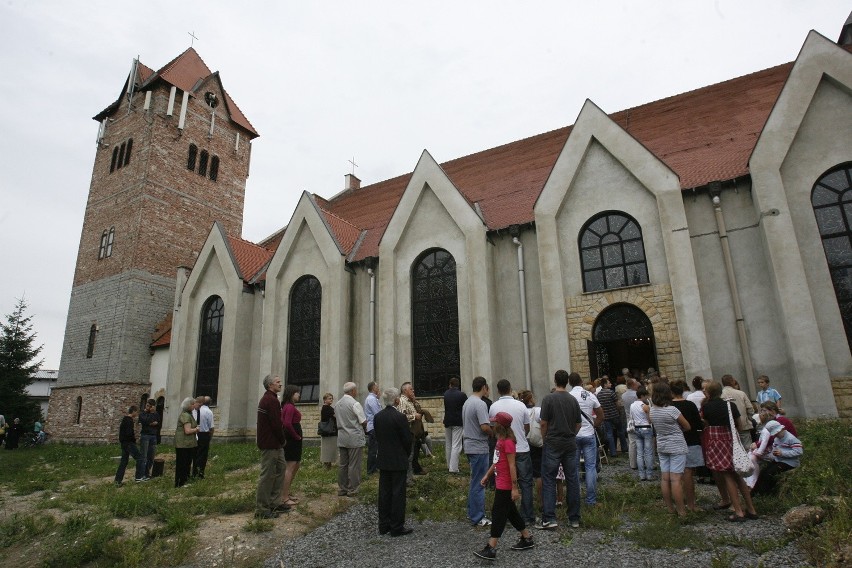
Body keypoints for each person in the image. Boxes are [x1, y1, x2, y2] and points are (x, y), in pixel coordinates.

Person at [474, 412, 535, 560]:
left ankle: (491, 547)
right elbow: (496, 461)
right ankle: (527, 538)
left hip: (506, 484)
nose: (492, 425)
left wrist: (514, 488)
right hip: (500, 480)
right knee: (511, 512)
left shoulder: (508, 442)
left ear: (500, 426)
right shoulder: (500, 440)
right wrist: (487, 475)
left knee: (498, 513)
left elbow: (512, 465)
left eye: (495, 423)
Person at [700, 381, 758, 522]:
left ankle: (738, 511)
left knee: (727, 475)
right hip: (731, 439)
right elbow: (739, 423)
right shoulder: (730, 405)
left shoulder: (706, 407)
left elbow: (705, 424)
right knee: (738, 476)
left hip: (716, 442)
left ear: (707, 393)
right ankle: (751, 509)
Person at [537, 369, 582, 530]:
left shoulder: (548, 399)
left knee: (549, 479)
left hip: (553, 442)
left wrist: (545, 438)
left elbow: (543, 423)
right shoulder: (572, 400)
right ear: (567, 382)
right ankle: (574, 517)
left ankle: (550, 517)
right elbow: (579, 423)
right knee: (572, 479)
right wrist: (572, 434)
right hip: (569, 442)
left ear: (555, 381)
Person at [489, 379, 534, 527]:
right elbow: (527, 427)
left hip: (503, 450)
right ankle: (527, 515)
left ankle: (508, 513)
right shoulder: (520, 405)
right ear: (510, 389)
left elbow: (493, 427)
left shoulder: (494, 406)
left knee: (505, 483)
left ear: (498, 390)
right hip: (521, 447)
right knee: (526, 482)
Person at [374, 387, 414, 537]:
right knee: (398, 493)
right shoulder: (400, 417)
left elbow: (377, 437)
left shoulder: (378, 417)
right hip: (398, 459)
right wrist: (405, 453)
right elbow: (407, 440)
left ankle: (383, 525)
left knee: (384, 493)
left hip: (384, 459)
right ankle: (396, 526)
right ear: (397, 400)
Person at [649, 382, 691, 517]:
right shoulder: (672, 410)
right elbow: (687, 426)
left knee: (665, 478)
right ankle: (681, 510)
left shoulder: (652, 410)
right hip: (676, 444)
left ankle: (670, 508)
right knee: (676, 479)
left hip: (662, 444)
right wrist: (678, 430)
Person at [255, 375, 288, 519]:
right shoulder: (270, 400)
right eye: (277, 382)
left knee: (281, 469)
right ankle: (262, 509)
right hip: (270, 443)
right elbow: (276, 424)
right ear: (270, 385)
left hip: (275, 444)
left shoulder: (272, 399)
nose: (280, 384)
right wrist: (283, 439)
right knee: (267, 475)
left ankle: (274, 502)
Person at [462, 376, 493, 527]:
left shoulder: (467, 402)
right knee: (480, 482)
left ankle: (472, 511)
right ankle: (478, 516)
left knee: (474, 480)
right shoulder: (480, 404)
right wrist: (495, 432)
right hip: (479, 446)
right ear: (484, 387)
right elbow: (484, 427)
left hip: (469, 444)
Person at [568, 372, 602, 505]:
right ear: (581, 381)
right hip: (588, 433)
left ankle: (575, 499)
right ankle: (591, 499)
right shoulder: (589, 395)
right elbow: (600, 414)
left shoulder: (569, 397)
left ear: (570, 383)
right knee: (590, 467)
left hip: (574, 434)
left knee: (574, 468)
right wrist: (594, 425)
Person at [670, 379, 704, 512]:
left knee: (676, 473)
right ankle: (691, 504)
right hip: (690, 440)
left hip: (674, 442)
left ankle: (678, 504)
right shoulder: (690, 405)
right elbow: (697, 423)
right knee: (688, 472)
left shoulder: (668, 407)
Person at [752, 420, 802, 495]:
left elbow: (799, 452)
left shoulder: (791, 438)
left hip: (790, 462)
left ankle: (764, 493)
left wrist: (783, 453)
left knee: (770, 473)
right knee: (763, 472)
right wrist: (772, 452)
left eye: (777, 433)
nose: (776, 435)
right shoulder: (776, 439)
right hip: (779, 460)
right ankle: (753, 493)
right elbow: (774, 448)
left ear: (781, 429)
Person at [335, 381, 367, 497]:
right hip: (354, 437)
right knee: (354, 464)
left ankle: (342, 488)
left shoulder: (337, 404)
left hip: (342, 437)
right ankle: (353, 489)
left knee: (343, 464)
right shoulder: (355, 404)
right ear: (353, 391)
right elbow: (363, 421)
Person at [518, 390, 543, 509]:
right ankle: (540, 499)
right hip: (535, 442)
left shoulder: (520, 409)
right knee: (539, 473)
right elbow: (544, 423)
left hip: (523, 443)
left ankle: (525, 500)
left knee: (525, 475)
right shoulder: (537, 410)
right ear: (531, 399)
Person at [280, 385, 303, 507]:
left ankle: (286, 492)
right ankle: (283, 497)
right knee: (290, 466)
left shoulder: (290, 406)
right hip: (292, 440)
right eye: (297, 393)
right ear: (291, 394)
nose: (299, 395)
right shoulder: (289, 407)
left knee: (296, 464)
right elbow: (287, 424)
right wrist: (296, 436)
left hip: (294, 439)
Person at [397, 382, 425, 481]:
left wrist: (414, 401)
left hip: (413, 432)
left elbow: (417, 409)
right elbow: (401, 416)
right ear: (405, 391)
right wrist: (414, 416)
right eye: (411, 389)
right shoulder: (402, 401)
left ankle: (410, 476)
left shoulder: (409, 401)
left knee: (412, 455)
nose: (413, 391)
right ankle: (407, 479)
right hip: (407, 432)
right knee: (408, 456)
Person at [721, 375, 757, 449]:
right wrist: (748, 419)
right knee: (747, 449)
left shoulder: (720, 395)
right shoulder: (741, 393)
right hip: (743, 425)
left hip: (727, 428)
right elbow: (750, 409)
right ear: (732, 381)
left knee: (733, 449)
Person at [115, 405, 147, 486]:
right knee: (139, 458)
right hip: (129, 443)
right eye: (136, 412)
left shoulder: (124, 420)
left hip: (124, 443)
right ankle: (138, 477)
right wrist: (134, 440)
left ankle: (117, 481)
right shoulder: (129, 421)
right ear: (133, 411)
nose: (137, 414)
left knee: (124, 461)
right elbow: (129, 433)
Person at [443, 376, 467, 474]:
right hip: (457, 422)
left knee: (448, 444)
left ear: (450, 385)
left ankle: (449, 465)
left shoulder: (446, 394)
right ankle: (453, 468)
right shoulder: (462, 395)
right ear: (458, 385)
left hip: (447, 420)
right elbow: (465, 407)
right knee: (456, 445)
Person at [174, 397, 199, 488]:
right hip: (183, 444)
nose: (194, 406)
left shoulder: (188, 414)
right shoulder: (186, 415)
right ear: (188, 405)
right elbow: (187, 431)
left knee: (186, 463)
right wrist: (196, 429)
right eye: (192, 404)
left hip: (187, 444)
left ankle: (184, 481)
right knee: (182, 464)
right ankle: (180, 483)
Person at [630, 386, 654, 481]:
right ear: (642, 396)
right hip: (646, 428)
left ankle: (641, 475)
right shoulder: (645, 406)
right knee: (648, 452)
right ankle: (649, 474)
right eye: (646, 396)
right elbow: (650, 419)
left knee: (639, 453)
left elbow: (632, 417)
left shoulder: (632, 405)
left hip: (636, 428)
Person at [596, 376, 621, 457]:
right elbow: (617, 403)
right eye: (609, 383)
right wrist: (618, 411)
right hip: (614, 414)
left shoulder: (599, 395)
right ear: (605, 385)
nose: (610, 384)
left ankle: (613, 452)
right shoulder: (611, 392)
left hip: (606, 416)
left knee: (609, 433)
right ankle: (624, 448)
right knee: (620, 430)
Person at [192, 396, 214, 479]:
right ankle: (200, 473)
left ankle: (194, 472)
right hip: (204, 434)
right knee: (202, 455)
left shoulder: (194, 410)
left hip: (194, 433)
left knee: (195, 454)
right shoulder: (208, 412)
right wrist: (210, 437)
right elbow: (211, 427)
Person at [138, 399, 159, 478]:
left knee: (151, 456)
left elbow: (158, 421)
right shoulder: (143, 413)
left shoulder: (155, 413)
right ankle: (141, 474)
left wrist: (153, 416)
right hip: (145, 435)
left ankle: (147, 473)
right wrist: (151, 416)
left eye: (150, 406)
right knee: (144, 456)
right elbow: (146, 420)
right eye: (147, 406)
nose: (148, 407)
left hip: (153, 435)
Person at [364, 381, 381, 475]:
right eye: (377, 386)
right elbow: (377, 413)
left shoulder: (374, 398)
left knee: (375, 448)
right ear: (373, 388)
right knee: (373, 450)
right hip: (373, 427)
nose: (378, 388)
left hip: (373, 426)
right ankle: (371, 470)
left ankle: (374, 468)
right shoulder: (371, 399)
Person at [621, 378, 640, 469]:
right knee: (642, 441)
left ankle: (633, 464)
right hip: (638, 419)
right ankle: (642, 461)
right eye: (636, 383)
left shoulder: (623, 395)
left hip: (629, 419)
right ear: (633, 385)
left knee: (632, 442)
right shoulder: (636, 395)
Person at [319, 392, 338, 469]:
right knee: (329, 450)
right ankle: (327, 465)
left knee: (326, 449)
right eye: (329, 398)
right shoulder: (328, 408)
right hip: (330, 431)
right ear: (325, 400)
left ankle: (327, 465)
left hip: (326, 432)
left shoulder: (324, 408)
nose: (331, 400)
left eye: (332, 398)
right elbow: (336, 416)